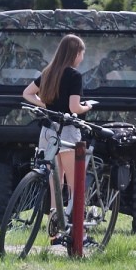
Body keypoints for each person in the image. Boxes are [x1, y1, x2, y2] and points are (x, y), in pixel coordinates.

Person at [23, 34, 95, 215]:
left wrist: (46, 105)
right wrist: (88, 106)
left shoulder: (48, 72)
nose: (82, 58)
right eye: (82, 53)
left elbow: (27, 93)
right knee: (73, 182)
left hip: (47, 132)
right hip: (67, 132)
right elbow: (74, 108)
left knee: (55, 181)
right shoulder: (74, 76)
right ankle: (73, 221)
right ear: (76, 53)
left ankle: (54, 223)